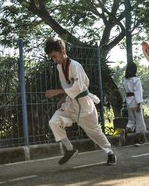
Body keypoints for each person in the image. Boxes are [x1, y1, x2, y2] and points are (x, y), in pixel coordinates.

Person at [44, 37, 117, 166]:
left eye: (54, 56)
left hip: (84, 104)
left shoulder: (75, 66)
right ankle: (70, 150)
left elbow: (77, 87)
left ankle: (110, 153)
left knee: (94, 131)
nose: (54, 60)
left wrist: (57, 92)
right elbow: (68, 86)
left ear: (63, 51)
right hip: (70, 104)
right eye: (52, 58)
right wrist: (62, 99)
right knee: (54, 122)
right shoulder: (60, 67)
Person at [123, 62, 148, 146]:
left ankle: (126, 130)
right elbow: (138, 92)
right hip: (135, 100)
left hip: (128, 100)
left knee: (131, 119)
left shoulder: (125, 80)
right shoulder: (136, 80)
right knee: (139, 120)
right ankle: (138, 140)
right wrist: (139, 103)